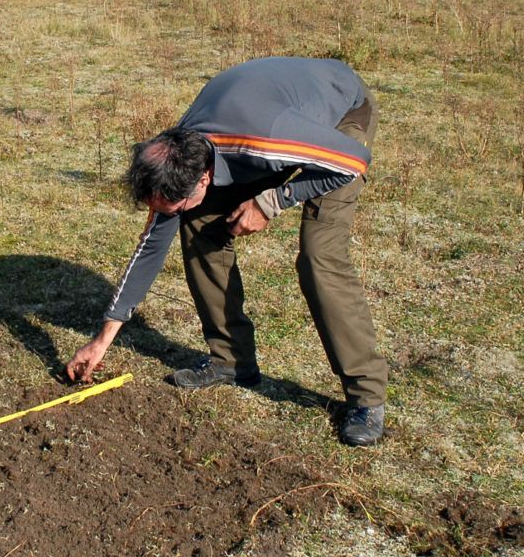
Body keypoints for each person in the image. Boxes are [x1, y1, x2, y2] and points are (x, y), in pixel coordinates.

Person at [66, 56, 388, 446]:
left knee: (320, 256)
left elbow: (353, 161)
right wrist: (103, 339)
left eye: (173, 205)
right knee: (198, 224)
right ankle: (232, 360)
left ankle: (366, 397)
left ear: (204, 178)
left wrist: (272, 201)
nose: (165, 216)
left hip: (339, 118)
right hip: (266, 121)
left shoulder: (267, 137)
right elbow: (152, 246)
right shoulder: (180, 151)